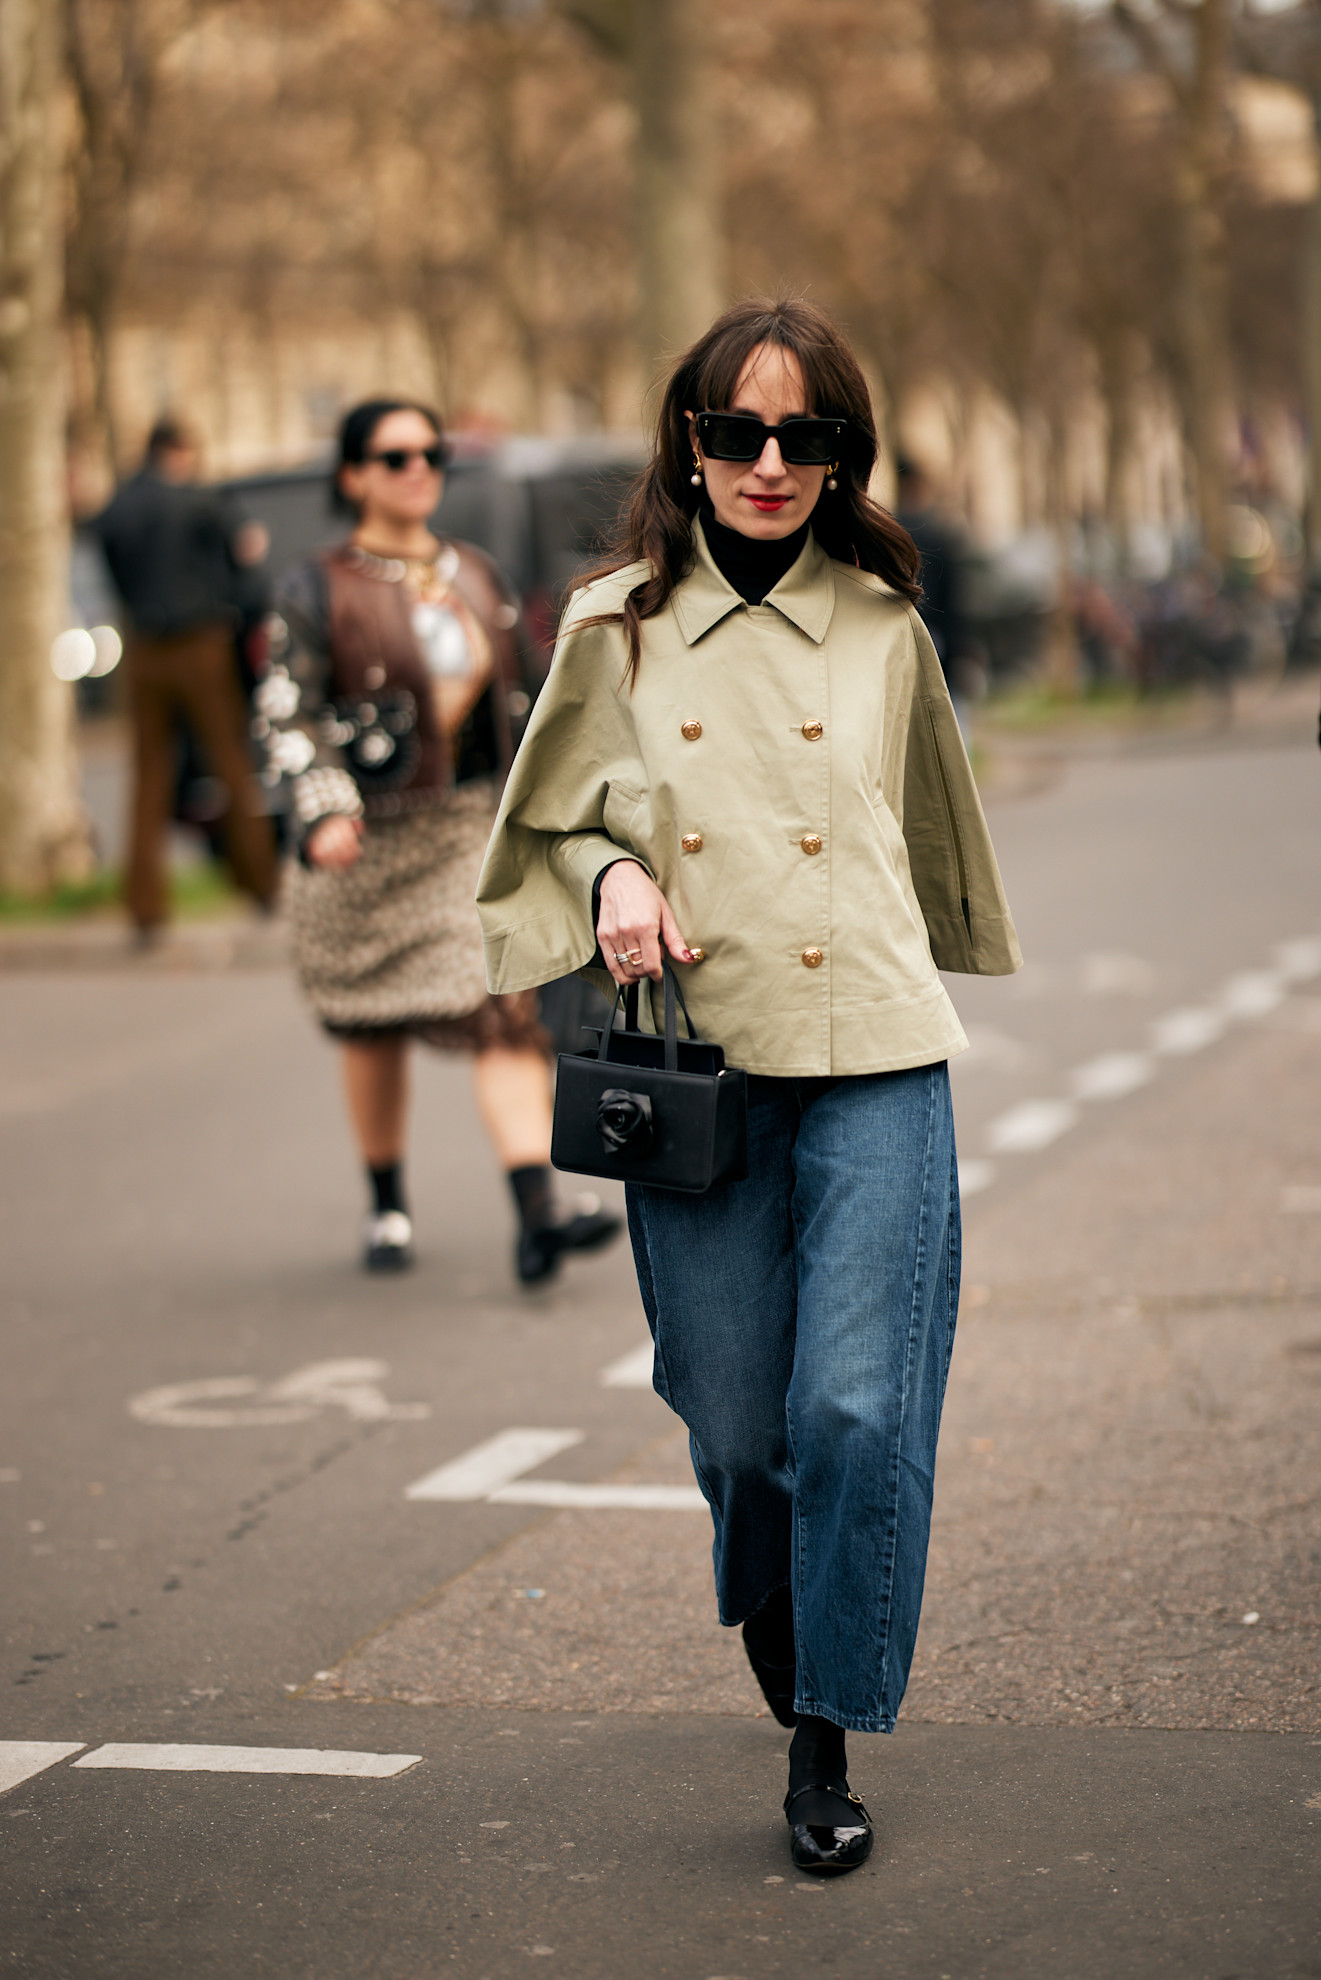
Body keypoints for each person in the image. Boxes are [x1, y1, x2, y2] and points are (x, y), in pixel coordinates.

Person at [477, 299, 1021, 1873]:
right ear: (690, 446)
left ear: (845, 455)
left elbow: (928, 820)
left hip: (871, 1053)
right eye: (738, 432)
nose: (770, 462)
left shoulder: (884, 622)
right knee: (734, 1424)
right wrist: (608, 883)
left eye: (807, 437)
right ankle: (800, 1642)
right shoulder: (613, 626)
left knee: (853, 1407)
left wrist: (955, 947)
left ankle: (823, 1735)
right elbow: (543, 829)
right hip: (697, 1066)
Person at [261, 397, 621, 1281]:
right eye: (393, 457)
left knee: (501, 1007)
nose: (416, 468)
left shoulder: (478, 575)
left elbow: (539, 702)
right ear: (352, 477)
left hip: (465, 829)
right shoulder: (313, 587)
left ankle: (536, 1210)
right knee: (370, 1027)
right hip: (363, 843)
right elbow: (284, 710)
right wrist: (324, 809)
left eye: (429, 453)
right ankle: (386, 1204)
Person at [93, 416, 278, 937]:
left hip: (145, 647)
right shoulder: (201, 500)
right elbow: (244, 563)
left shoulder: (119, 506)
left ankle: (144, 906)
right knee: (230, 763)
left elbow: (109, 563)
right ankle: (262, 885)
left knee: (148, 775)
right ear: (179, 451)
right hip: (201, 642)